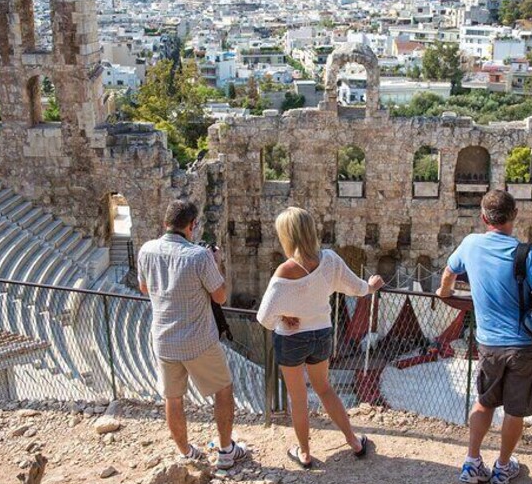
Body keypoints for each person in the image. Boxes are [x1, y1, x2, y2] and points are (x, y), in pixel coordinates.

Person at [435, 190, 532, 484]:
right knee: (515, 410)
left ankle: (472, 462)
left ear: (483, 217)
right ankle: (502, 468)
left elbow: (449, 273)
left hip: (488, 343)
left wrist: (444, 294)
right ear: (514, 216)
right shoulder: (526, 253)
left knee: (484, 402)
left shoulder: (470, 244)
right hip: (522, 347)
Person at [256, 207, 384, 468]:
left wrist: (284, 317)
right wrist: (371, 286)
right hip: (322, 333)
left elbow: (264, 317)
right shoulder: (330, 260)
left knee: (298, 396)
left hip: (291, 338)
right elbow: (356, 288)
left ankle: (304, 453)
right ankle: (354, 442)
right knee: (325, 389)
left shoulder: (284, 271)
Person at [138, 200, 248, 469]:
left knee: (173, 397)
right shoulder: (199, 257)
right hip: (198, 341)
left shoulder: (146, 250)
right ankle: (225, 451)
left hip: (163, 340)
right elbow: (220, 296)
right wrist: (217, 263)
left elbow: (143, 288)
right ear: (192, 225)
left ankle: (186, 453)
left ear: (165, 223)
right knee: (223, 390)